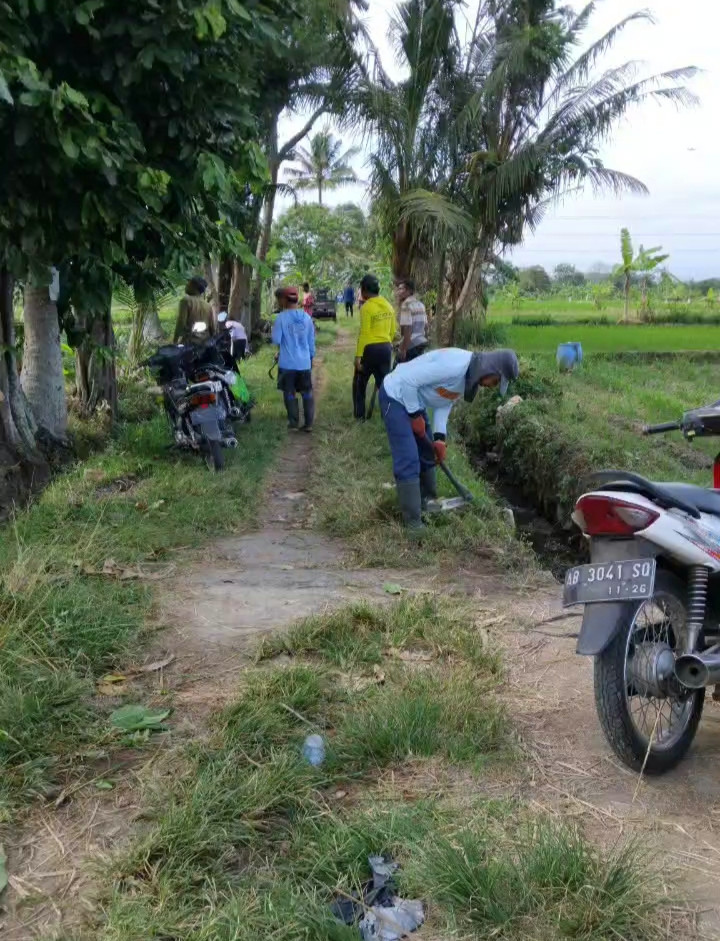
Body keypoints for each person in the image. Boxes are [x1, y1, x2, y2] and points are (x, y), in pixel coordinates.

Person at [380, 348, 519, 530]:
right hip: (396, 394)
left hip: (414, 400)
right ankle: (413, 524)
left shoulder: (467, 378)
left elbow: (443, 403)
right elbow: (408, 381)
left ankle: (427, 501)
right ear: (490, 369)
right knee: (409, 458)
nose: (494, 385)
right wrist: (414, 416)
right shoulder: (454, 366)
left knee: (428, 454)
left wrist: (439, 438)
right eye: (497, 380)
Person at [272, 286, 316, 432]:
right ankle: (309, 424)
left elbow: (276, 339)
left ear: (284, 300)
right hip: (304, 363)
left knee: (289, 393)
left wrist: (280, 351)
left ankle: (294, 423)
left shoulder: (281, 318)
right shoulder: (307, 318)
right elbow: (311, 343)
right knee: (307, 393)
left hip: (288, 364)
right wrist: (311, 358)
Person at [353, 274, 396, 421]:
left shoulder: (366, 307)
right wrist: (386, 344)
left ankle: (360, 416)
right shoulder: (389, 306)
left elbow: (364, 333)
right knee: (385, 385)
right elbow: (393, 331)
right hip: (385, 349)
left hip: (369, 350)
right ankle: (388, 416)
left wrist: (358, 356)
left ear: (364, 290)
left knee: (360, 383)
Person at [395, 278, 428, 362]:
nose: (398, 291)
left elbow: (407, 328)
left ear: (409, 291)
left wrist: (403, 349)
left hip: (411, 344)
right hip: (421, 342)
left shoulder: (406, 305)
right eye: (398, 289)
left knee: (397, 370)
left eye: (401, 289)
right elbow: (426, 326)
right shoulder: (421, 305)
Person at [174, 276, 214, 343]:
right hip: (205, 341)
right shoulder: (208, 305)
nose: (186, 285)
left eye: (189, 284)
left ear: (195, 287)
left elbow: (181, 323)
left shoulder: (186, 301)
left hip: (190, 342)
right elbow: (212, 327)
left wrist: (175, 341)